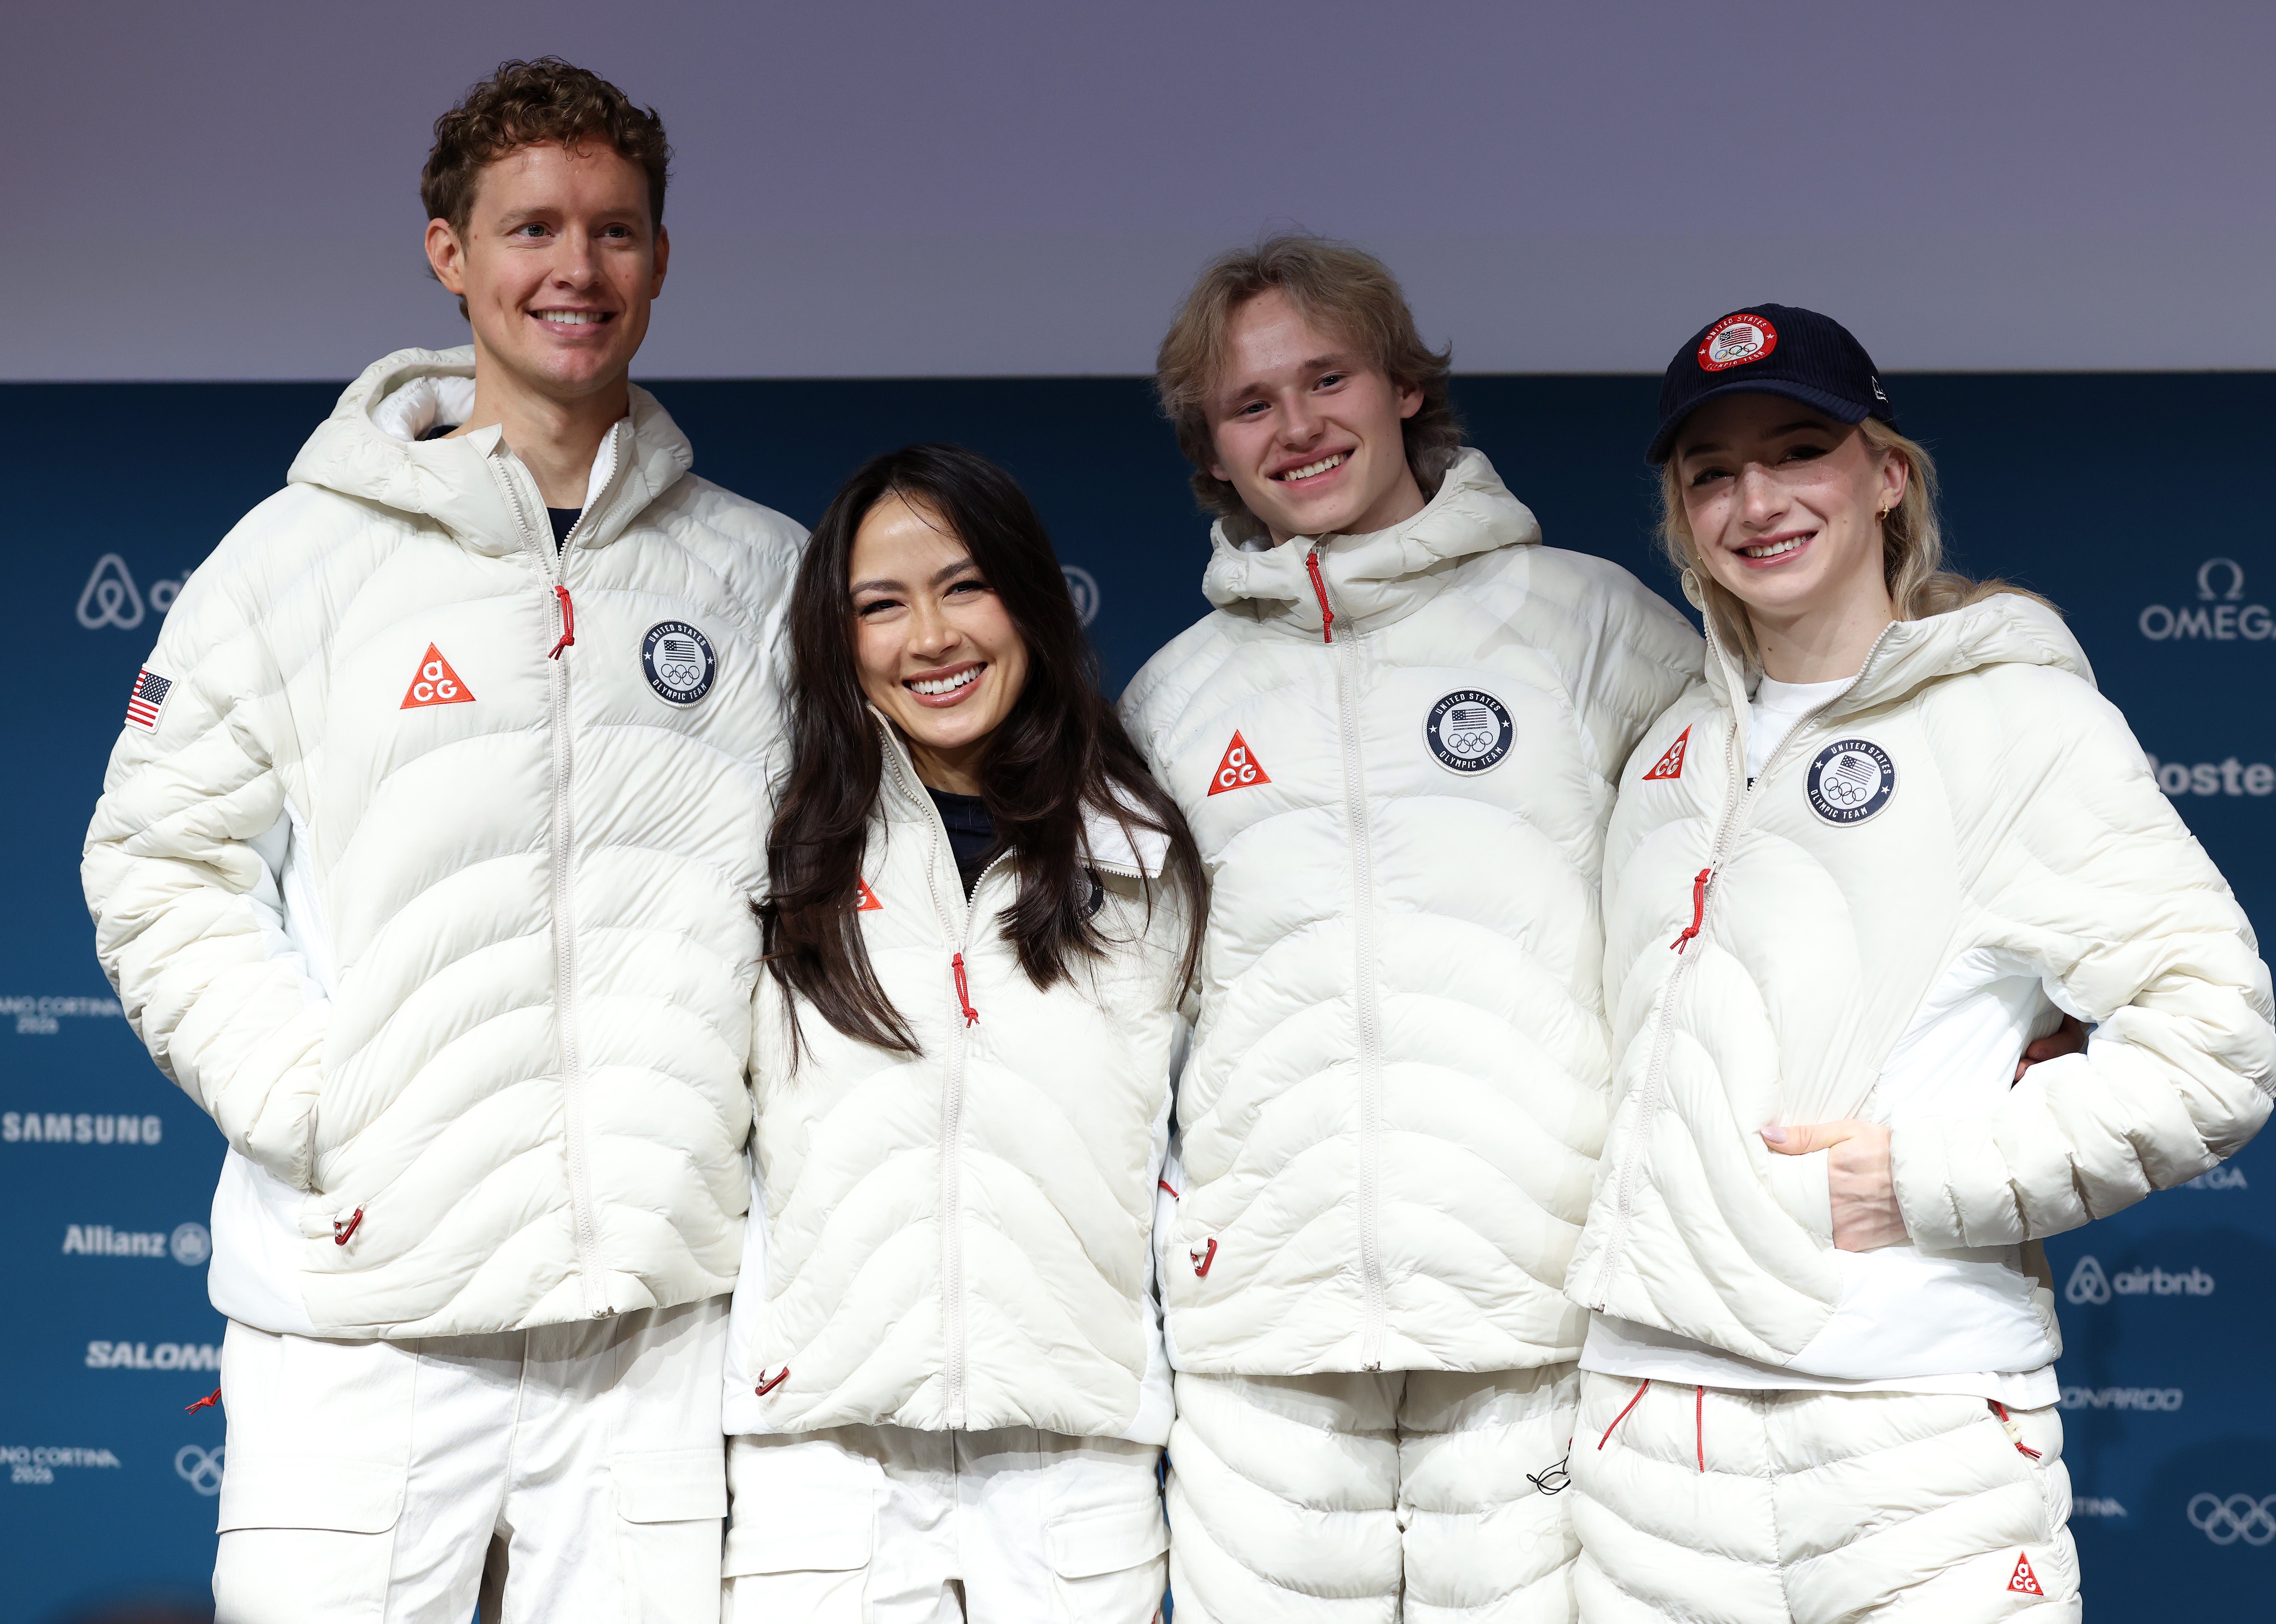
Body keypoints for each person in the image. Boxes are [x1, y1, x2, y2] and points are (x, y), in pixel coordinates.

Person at [80, 60, 805, 1622]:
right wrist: (322, 1107)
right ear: (448, 253)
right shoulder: (295, 559)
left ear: (662, 262)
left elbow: (840, 909)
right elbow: (156, 867)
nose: (577, 270)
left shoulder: (760, 578)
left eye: (616, 232)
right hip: (362, 1314)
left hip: (654, 1324)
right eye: (532, 226)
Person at [1562, 305, 2276, 1621]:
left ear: (1885, 475)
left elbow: (2210, 1044)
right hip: (1645, 1431)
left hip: (1907, 1418)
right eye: (1710, 471)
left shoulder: (2020, 723)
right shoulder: (1668, 741)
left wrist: (1930, 1174)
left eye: (1796, 451)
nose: (1755, 500)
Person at [1117, 236, 1707, 1621]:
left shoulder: (1590, 629)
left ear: (1402, 389)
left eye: (1327, 378)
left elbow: (1766, 867)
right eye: (1251, 403)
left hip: (1537, 1315)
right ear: (1210, 448)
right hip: (1264, 1341)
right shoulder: (1173, 698)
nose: (1298, 425)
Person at [724, 444, 1207, 1621]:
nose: (931, 637)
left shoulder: (1146, 849)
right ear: (838, 644)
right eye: (880, 606)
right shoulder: (768, 846)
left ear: (1032, 598)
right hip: (822, 1462)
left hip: (1073, 1467)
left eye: (965, 585)